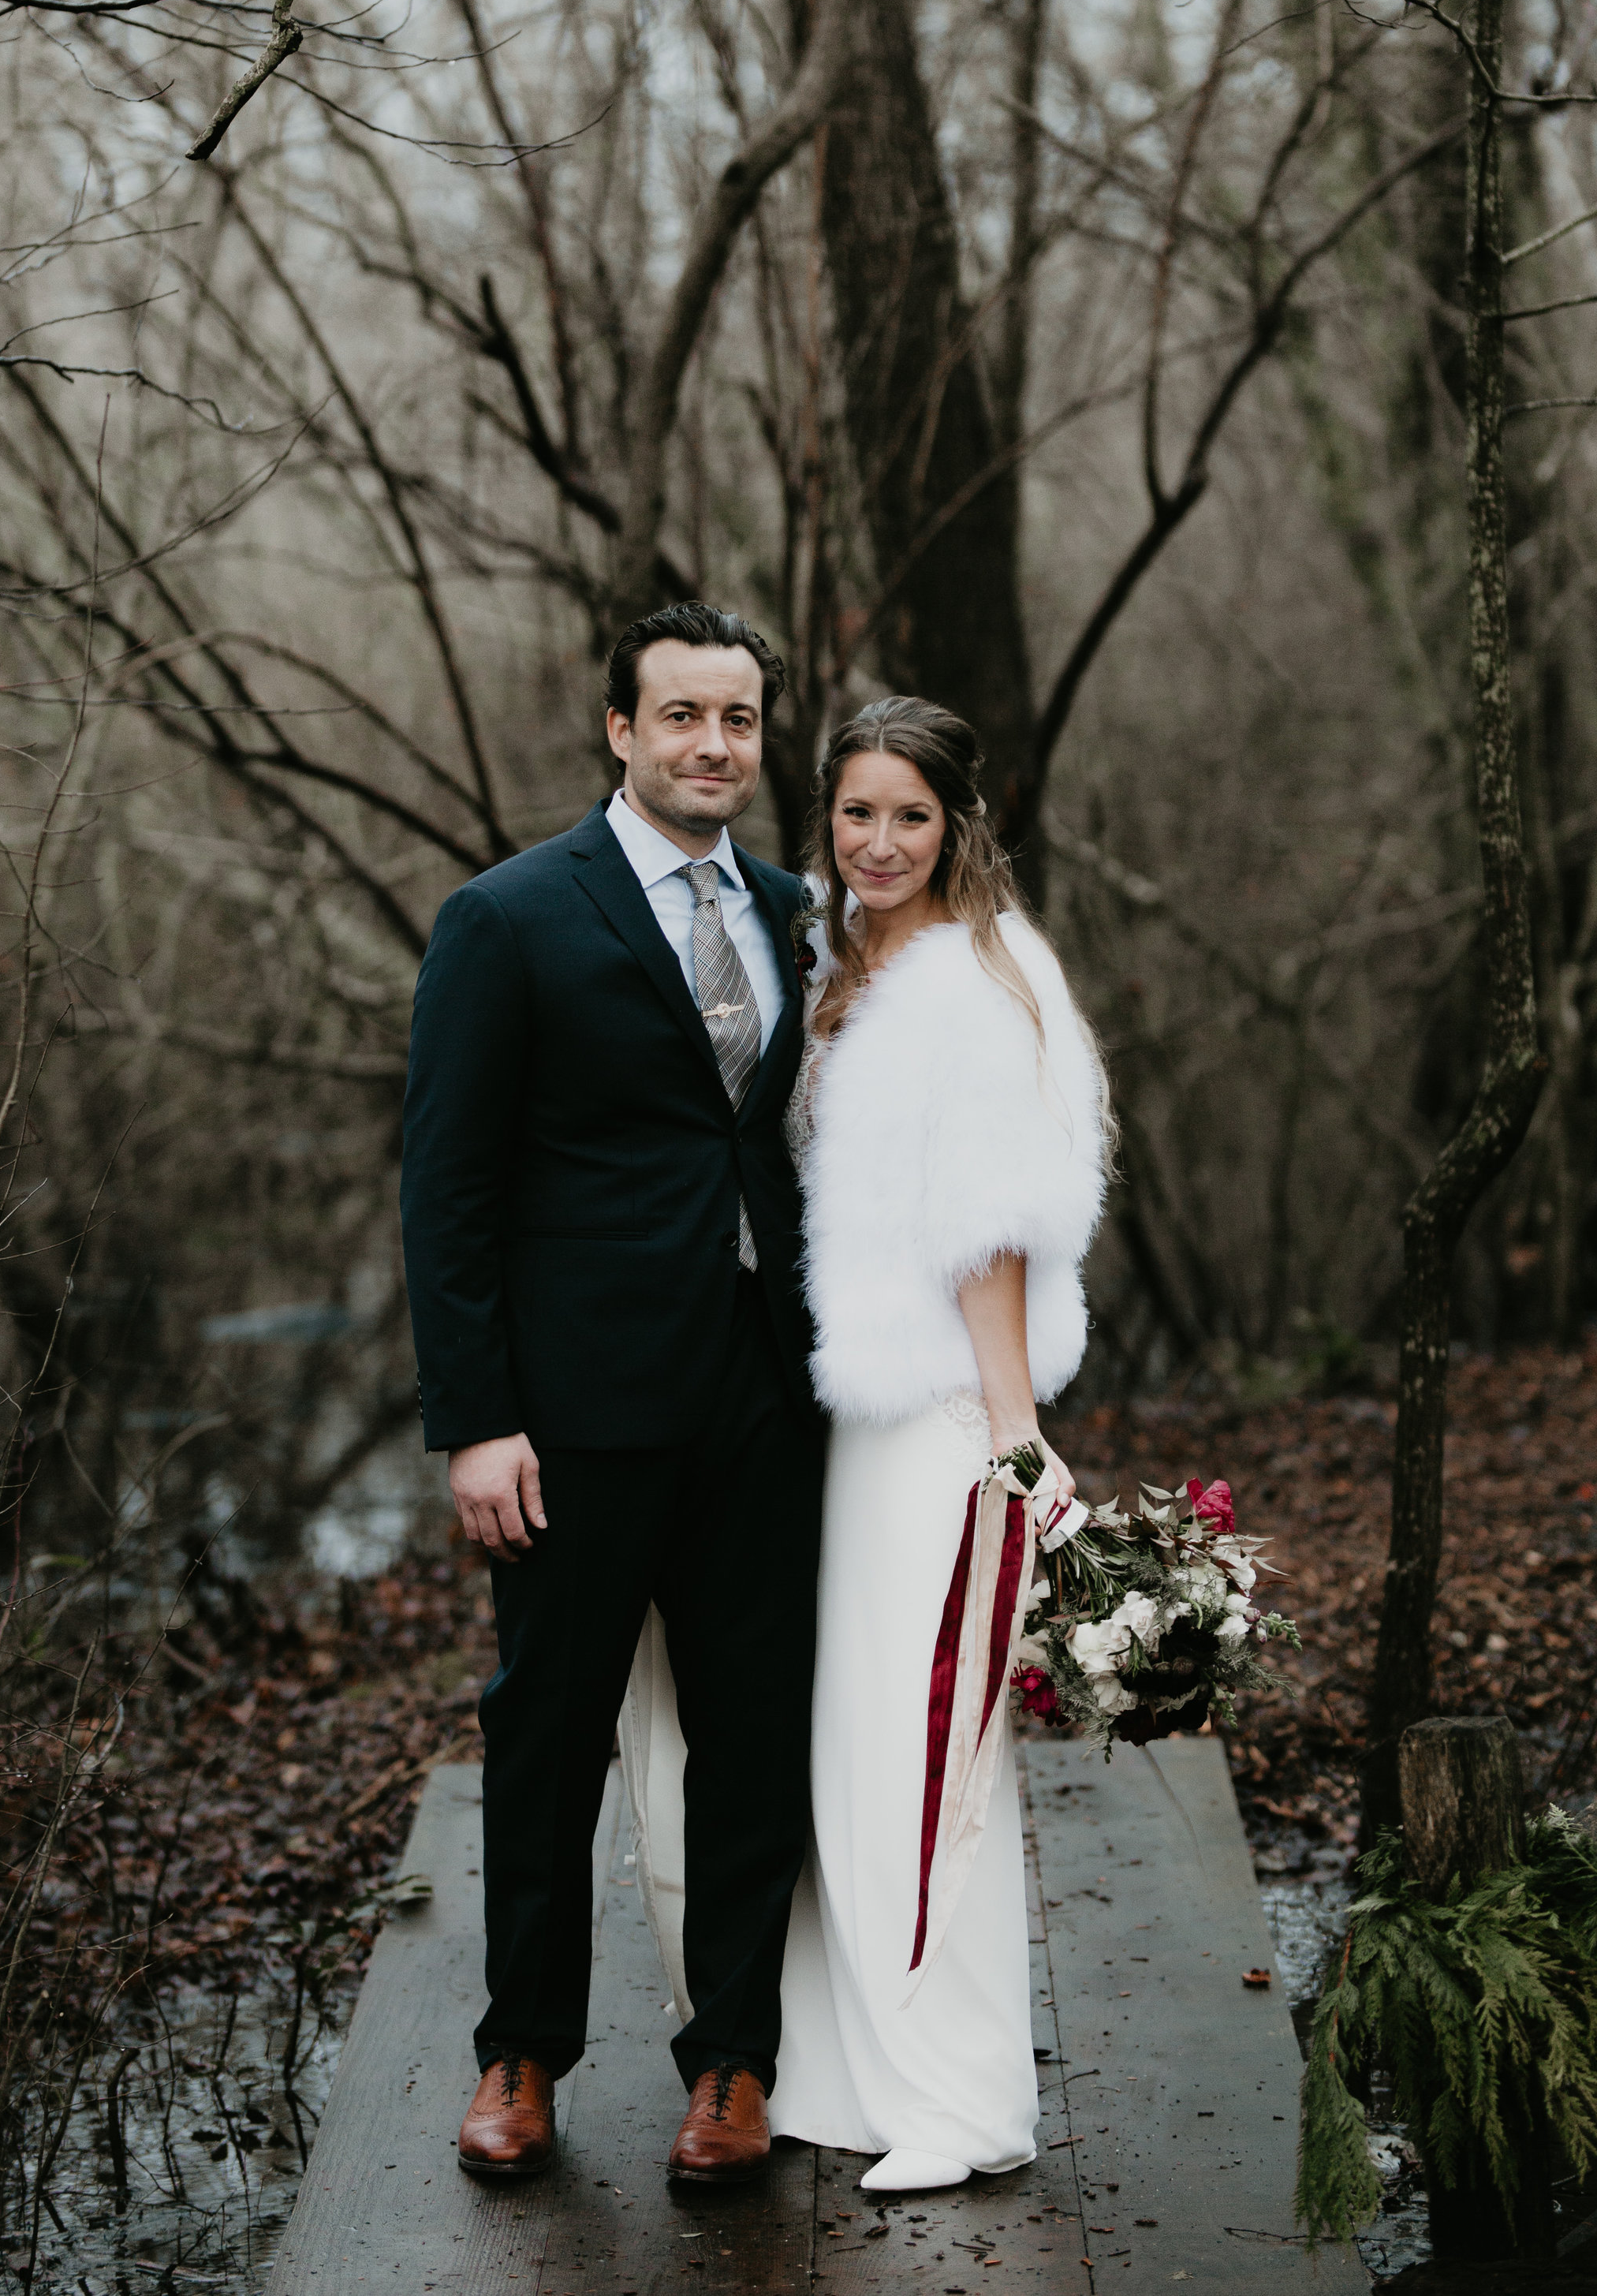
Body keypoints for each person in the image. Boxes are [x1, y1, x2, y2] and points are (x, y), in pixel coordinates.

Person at [626, 696, 1108, 2193]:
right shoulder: (838, 956)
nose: (879, 840)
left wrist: (1017, 1438)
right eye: (855, 812)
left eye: (911, 813)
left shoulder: (981, 978)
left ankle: (966, 2104)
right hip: (846, 1418)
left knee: (927, 1754)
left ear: (960, 823)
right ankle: (855, 2068)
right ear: (823, 817)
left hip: (946, 1424)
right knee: (841, 1749)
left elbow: (993, 1233)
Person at [399, 602, 822, 2188]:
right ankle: (520, 2055)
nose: (714, 745)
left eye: (739, 719)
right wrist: (471, 1417)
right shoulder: (508, 918)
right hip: (570, 1409)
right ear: (620, 731)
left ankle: (731, 2066)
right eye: (684, 717)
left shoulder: (798, 912)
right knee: (548, 1732)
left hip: (765, 1396)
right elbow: (445, 1188)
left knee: (751, 1734)